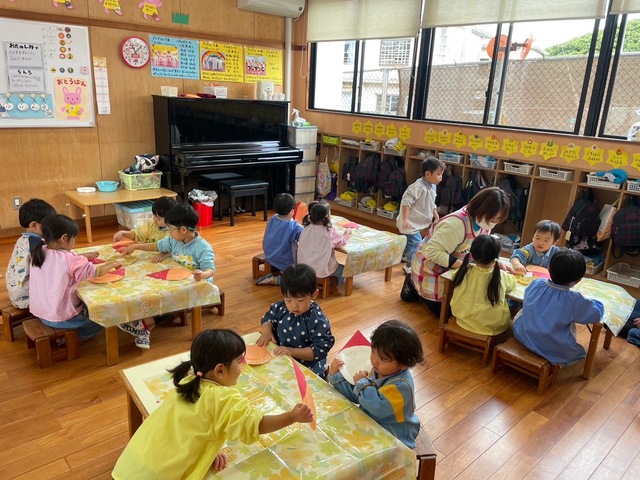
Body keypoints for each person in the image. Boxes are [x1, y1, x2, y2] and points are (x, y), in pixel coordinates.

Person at [112, 329, 313, 479]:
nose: (242, 367)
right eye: (239, 361)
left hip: (130, 465)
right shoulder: (223, 399)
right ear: (219, 370)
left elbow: (192, 427)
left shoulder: (189, 381)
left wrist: (209, 449)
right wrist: (292, 417)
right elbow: (254, 425)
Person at [119, 203, 215, 349]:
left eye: (170, 229)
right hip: (176, 280)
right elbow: (156, 246)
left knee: (168, 297)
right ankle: (143, 325)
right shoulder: (174, 240)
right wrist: (135, 246)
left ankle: (145, 324)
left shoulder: (203, 247)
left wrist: (202, 274)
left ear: (183, 230)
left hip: (196, 285)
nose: (169, 232)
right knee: (149, 287)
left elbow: (210, 269)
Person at [405, 186, 512, 317]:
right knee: (449, 313)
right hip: (431, 269)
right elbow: (432, 253)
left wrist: (494, 262)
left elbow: (482, 248)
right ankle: (412, 283)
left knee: (468, 305)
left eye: (498, 219)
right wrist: (467, 266)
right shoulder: (456, 224)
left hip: (456, 266)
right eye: (493, 218)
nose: (495, 222)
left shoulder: (484, 222)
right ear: (481, 209)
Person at [327, 320, 424, 449]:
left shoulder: (401, 386)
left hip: (394, 434)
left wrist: (361, 383)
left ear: (404, 364)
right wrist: (336, 376)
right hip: (370, 423)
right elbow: (357, 396)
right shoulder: (379, 370)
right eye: (373, 351)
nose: (374, 361)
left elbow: (377, 408)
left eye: (383, 359)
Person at [29, 214, 122, 341]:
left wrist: (82, 256)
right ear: (64, 238)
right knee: (103, 318)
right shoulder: (69, 259)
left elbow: (61, 262)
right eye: (75, 238)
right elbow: (96, 272)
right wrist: (112, 264)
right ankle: (73, 340)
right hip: (60, 317)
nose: (75, 241)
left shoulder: (40, 251)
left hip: (41, 312)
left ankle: (69, 335)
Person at [513, 249, 605, 366]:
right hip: (549, 345)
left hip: (522, 334)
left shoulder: (537, 283)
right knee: (579, 351)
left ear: (549, 269)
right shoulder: (574, 299)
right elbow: (596, 314)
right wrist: (594, 302)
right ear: (578, 280)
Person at [256, 263, 335, 377]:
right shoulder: (281, 307)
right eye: (288, 300)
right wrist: (267, 332)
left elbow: (319, 350)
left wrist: (292, 351)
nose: (294, 306)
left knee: (307, 383)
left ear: (314, 294)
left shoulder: (317, 320)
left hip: (307, 364)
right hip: (282, 355)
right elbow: (268, 317)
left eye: (301, 300)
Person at [450, 234, 517, 340]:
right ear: (496, 258)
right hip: (492, 327)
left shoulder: (463, 271)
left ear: (472, 254)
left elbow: (453, 275)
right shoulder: (502, 276)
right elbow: (513, 284)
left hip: (462, 319)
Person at [396, 156, 445, 274]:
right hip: (410, 222)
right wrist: (405, 219)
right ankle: (409, 265)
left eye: (441, 174)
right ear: (428, 174)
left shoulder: (433, 186)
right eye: (438, 174)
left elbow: (432, 203)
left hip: (417, 222)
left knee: (411, 241)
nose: (441, 177)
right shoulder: (417, 187)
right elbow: (406, 202)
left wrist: (436, 216)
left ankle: (404, 254)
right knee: (416, 243)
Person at [5, 198, 56, 309]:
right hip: (29, 298)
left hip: (15, 295)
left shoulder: (22, 239)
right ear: (34, 225)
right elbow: (52, 267)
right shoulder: (37, 244)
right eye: (49, 225)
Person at [297, 200, 352, 283]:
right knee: (346, 270)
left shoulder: (306, 228)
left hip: (303, 266)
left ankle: (323, 282)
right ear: (327, 216)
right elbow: (341, 241)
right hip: (320, 269)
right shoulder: (328, 232)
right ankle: (334, 284)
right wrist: (347, 232)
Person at [255, 192, 303, 286]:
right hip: (285, 262)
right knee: (299, 277)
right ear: (291, 211)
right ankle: (278, 279)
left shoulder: (273, 218)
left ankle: (276, 274)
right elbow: (305, 236)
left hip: (269, 255)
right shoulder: (294, 227)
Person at [113, 195, 177, 244]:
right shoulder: (151, 224)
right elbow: (138, 234)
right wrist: (123, 233)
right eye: (154, 216)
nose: (154, 219)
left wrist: (163, 254)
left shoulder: (174, 231)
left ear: (170, 219)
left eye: (158, 219)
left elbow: (172, 248)